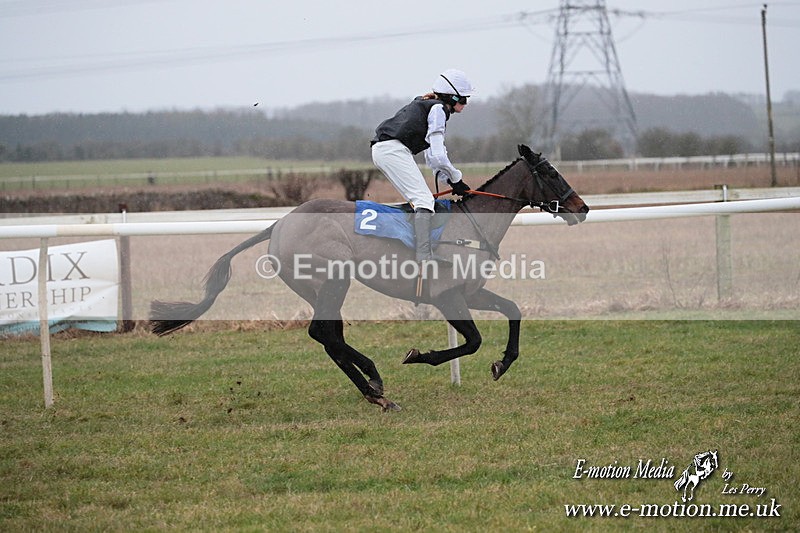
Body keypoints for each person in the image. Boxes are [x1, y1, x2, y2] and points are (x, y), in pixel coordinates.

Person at [371, 68, 474, 263]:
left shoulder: (428, 104)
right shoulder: (439, 110)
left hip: (385, 150)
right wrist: (457, 178)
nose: (465, 104)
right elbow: (438, 155)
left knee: (421, 200)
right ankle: (424, 256)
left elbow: (431, 157)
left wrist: (448, 181)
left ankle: (415, 247)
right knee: (424, 201)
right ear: (451, 98)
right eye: (463, 100)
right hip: (392, 151)